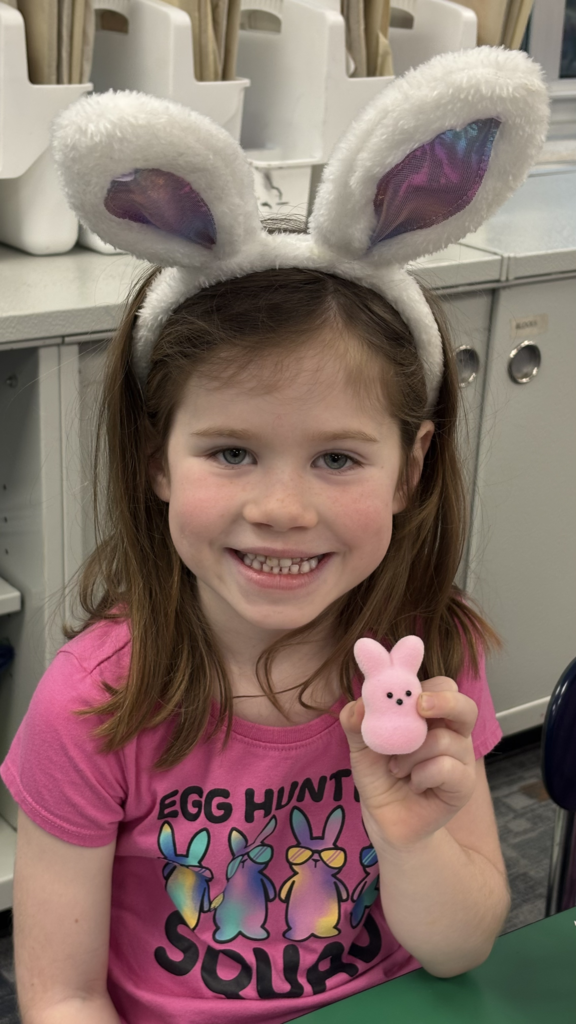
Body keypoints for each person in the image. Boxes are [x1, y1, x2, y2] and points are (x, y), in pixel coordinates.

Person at [0, 46, 548, 1024]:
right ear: (158, 460)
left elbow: (462, 945)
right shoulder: (90, 706)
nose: (283, 509)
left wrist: (412, 832)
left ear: (412, 467)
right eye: (233, 453)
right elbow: (64, 994)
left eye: (337, 458)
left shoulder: (429, 661)